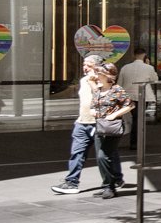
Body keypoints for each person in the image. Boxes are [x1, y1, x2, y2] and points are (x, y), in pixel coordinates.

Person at [53, 55, 130, 196]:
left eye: (88, 65)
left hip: (100, 124)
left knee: (105, 154)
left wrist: (111, 114)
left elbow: (105, 97)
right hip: (82, 122)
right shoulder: (84, 80)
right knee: (78, 152)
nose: (85, 67)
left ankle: (113, 181)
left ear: (98, 67)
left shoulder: (106, 82)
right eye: (84, 64)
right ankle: (71, 182)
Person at [118, 47, 158, 148]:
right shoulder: (149, 68)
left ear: (134, 55)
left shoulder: (125, 67)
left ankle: (134, 140)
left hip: (128, 95)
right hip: (143, 95)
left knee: (134, 118)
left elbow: (119, 83)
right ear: (144, 55)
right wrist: (148, 65)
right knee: (138, 118)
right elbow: (154, 80)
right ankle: (136, 141)